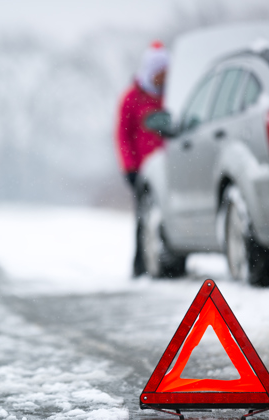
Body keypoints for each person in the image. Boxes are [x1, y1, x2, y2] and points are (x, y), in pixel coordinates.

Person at [115, 41, 169, 277]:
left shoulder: (171, 95)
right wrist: (130, 168)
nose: (162, 78)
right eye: (159, 73)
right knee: (143, 217)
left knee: (167, 214)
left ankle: (168, 263)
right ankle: (140, 265)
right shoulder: (131, 98)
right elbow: (123, 135)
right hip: (143, 170)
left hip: (169, 167)